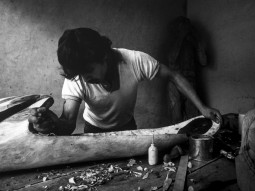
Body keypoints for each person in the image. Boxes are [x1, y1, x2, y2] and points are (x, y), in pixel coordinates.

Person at [28, 28, 222, 135]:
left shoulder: (134, 60)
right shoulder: (77, 77)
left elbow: (174, 75)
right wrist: (51, 124)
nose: (85, 78)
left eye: (89, 71)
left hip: (127, 128)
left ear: (104, 56)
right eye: (79, 74)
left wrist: (202, 108)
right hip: (92, 131)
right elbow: (68, 124)